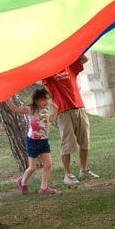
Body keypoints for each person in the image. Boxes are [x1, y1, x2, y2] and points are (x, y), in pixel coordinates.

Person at [42, 55, 99, 185]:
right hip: (63, 111)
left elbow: (84, 59)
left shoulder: (69, 65)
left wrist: (73, 49)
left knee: (85, 141)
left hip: (79, 107)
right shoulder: (48, 72)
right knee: (67, 144)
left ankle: (84, 170)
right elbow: (43, 83)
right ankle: (68, 175)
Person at [6, 89, 58, 195]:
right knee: (33, 167)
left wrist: (56, 109)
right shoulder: (30, 109)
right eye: (43, 100)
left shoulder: (47, 109)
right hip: (32, 141)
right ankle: (22, 182)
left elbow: (51, 120)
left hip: (43, 141)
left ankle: (43, 188)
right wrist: (7, 99)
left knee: (48, 164)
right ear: (37, 100)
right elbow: (15, 109)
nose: (45, 102)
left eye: (46, 99)